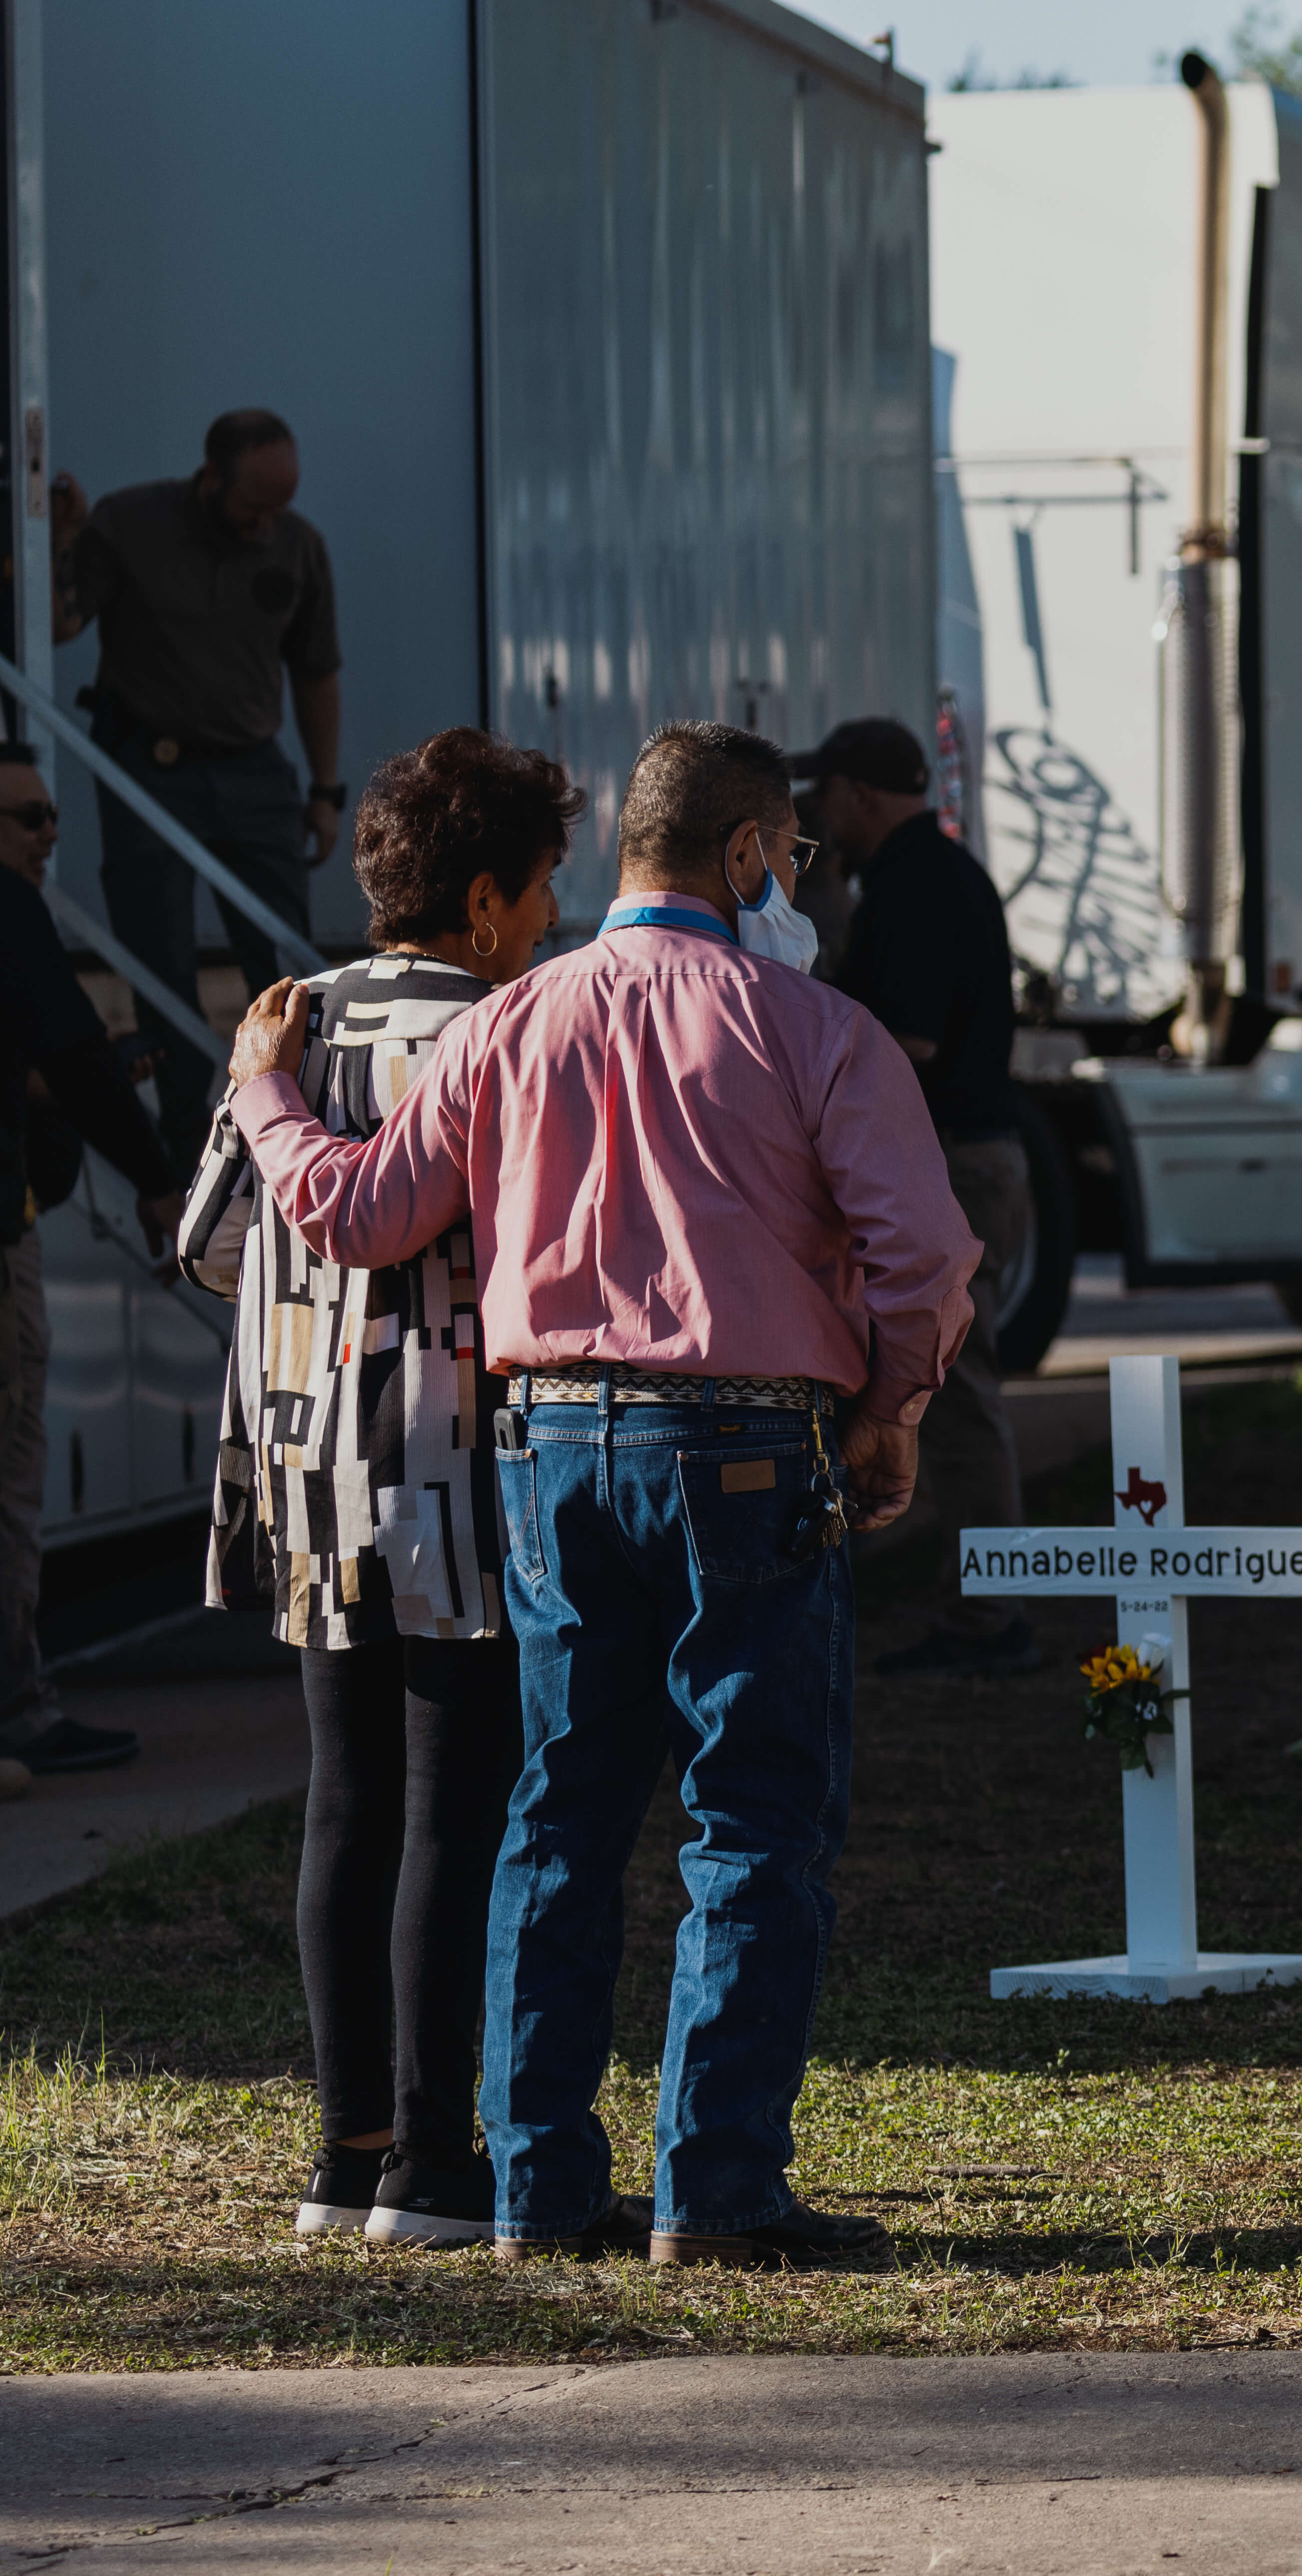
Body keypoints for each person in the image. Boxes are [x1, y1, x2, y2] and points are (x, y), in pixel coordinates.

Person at [225, 720, 975, 2272]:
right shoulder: (815, 1027)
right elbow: (927, 1255)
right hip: (753, 1446)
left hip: (552, 1446)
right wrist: (891, 1409)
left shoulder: (513, 1023)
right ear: (753, 852)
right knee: (752, 1820)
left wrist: (262, 1096)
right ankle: (716, 2191)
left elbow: (360, 1211)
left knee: (555, 1816)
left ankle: (539, 2189)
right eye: (795, 858)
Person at [179, 730, 571, 2248]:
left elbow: (212, 1242)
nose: (550, 918)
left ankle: (343, 2151)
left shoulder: (287, 1019)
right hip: (454, 1463)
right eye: (540, 891)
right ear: (483, 901)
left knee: (344, 1805)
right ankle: (431, 2156)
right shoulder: (512, 1025)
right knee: (452, 1812)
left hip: (304, 1460)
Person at [790, 717, 1034, 1678]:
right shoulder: (932, 873)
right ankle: (966, 1591)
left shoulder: (914, 886)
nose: (823, 820)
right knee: (945, 1384)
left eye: (829, 798)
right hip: (970, 1156)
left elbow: (910, 1045)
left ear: (857, 793)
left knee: (958, 1388)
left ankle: (993, 1614)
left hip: (959, 1162)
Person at [55, 408, 344, 1148]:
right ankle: (193, 1159)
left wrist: (324, 789)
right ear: (210, 477)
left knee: (286, 972)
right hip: (151, 770)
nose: (263, 527)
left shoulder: (297, 545)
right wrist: (59, 539)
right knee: (162, 975)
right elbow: (57, 623)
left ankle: (294, 1138)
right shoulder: (129, 524)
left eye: (278, 508)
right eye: (252, 507)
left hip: (254, 773)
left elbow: (316, 674)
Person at [1, 743, 177, 1790]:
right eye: (22, 816)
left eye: (51, 816)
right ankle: (19, 1710)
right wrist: (159, 1183)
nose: (46, 834)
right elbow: (71, 1054)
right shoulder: (12, 911)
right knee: (10, 1473)